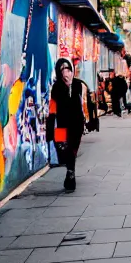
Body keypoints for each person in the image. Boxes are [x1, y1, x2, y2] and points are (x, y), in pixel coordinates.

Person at [47, 58, 90, 192]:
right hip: (61, 125)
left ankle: (71, 174)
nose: (66, 73)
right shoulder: (56, 87)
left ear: (72, 71)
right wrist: (49, 129)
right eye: (62, 70)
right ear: (59, 73)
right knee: (62, 150)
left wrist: (89, 121)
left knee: (72, 150)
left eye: (68, 69)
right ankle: (70, 171)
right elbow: (52, 108)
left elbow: (85, 103)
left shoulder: (79, 85)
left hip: (76, 124)